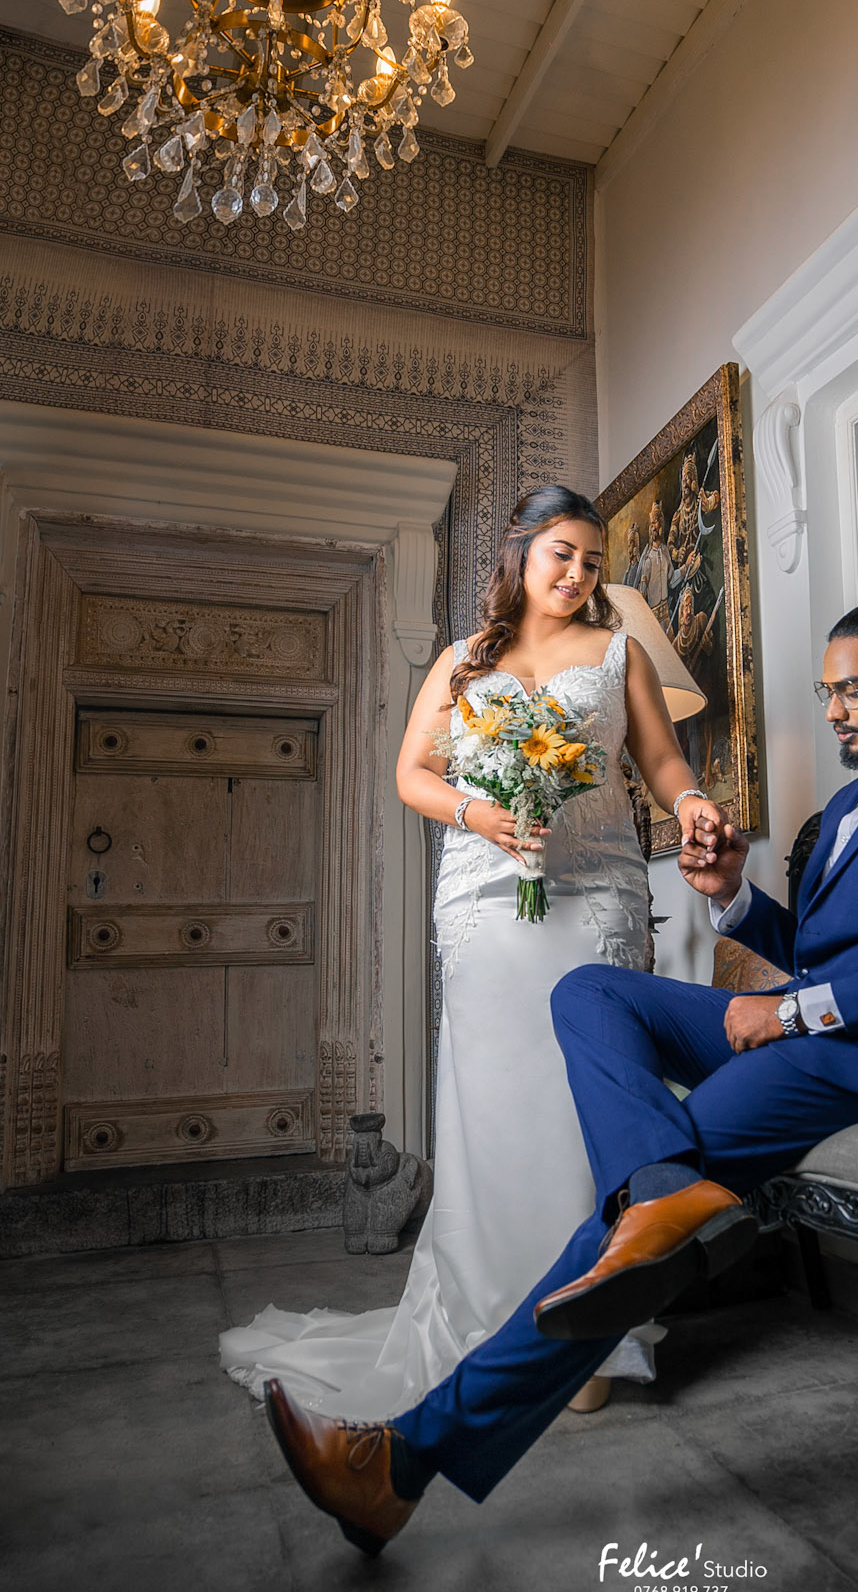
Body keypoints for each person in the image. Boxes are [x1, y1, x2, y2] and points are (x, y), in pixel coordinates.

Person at [261, 573, 858, 1553]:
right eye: (828, 691)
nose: (833, 709)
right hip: (820, 1029)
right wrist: (734, 899)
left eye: (852, 689)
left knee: (633, 1218)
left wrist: (791, 1011)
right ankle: (666, 1189)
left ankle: (399, 1465)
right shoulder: (851, 804)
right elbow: (821, 951)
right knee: (592, 993)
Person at [220, 486, 724, 1420]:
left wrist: (691, 802)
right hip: (487, 900)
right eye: (561, 553)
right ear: (521, 552)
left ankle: (586, 1328)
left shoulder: (619, 653)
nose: (578, 574)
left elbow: (659, 762)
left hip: (597, 894)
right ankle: (495, 1321)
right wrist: (478, 813)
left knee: (586, 1100)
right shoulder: (463, 662)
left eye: (592, 560)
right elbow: (411, 773)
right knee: (498, 1106)